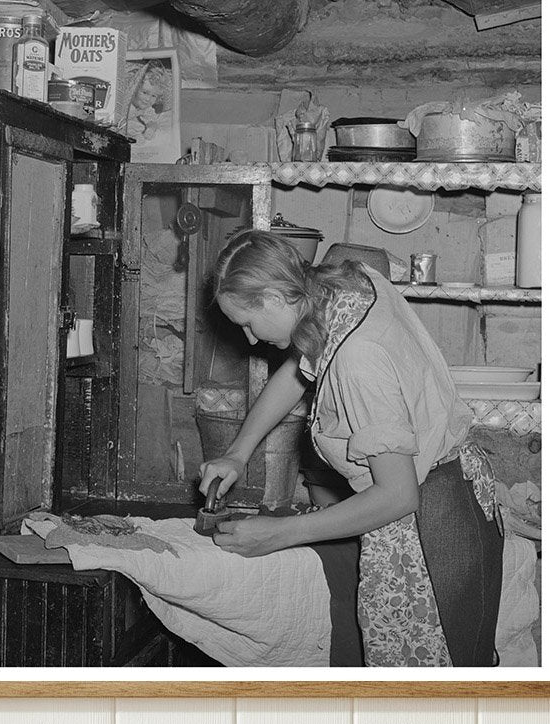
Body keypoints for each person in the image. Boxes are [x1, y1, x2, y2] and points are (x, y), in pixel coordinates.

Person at [198, 230, 503, 667]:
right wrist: (238, 452)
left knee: (439, 677)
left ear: (275, 297)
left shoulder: (358, 360)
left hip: (433, 523)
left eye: (247, 322)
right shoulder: (344, 285)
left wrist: (280, 534)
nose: (249, 338)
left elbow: (398, 495)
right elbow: (299, 368)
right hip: (453, 491)